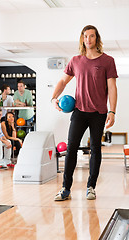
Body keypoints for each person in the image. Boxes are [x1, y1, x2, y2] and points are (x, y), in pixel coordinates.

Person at [51, 25, 118, 201]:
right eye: (85, 36)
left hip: (99, 113)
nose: (88, 39)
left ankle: (91, 187)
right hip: (79, 111)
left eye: (92, 36)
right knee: (71, 148)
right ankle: (65, 189)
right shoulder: (75, 60)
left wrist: (112, 111)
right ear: (82, 39)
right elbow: (63, 81)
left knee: (95, 148)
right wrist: (53, 98)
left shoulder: (107, 61)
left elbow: (112, 87)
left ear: (97, 39)